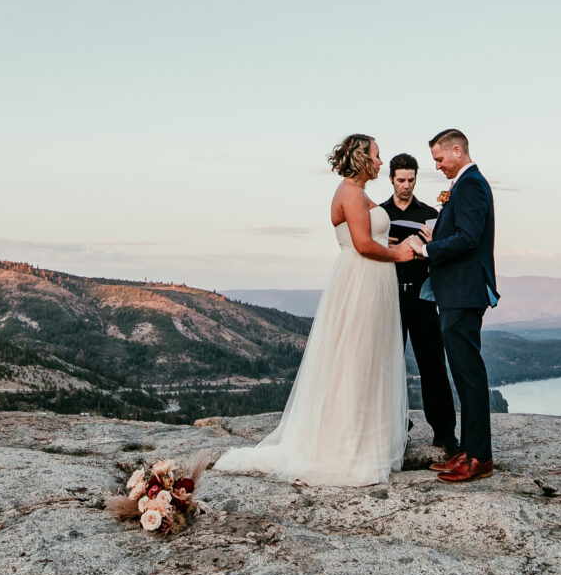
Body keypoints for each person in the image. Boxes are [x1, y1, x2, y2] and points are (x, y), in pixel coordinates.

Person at [213, 134, 424, 487]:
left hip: (371, 281)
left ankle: (365, 439)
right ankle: (345, 447)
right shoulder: (350, 193)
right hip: (361, 282)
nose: (380, 161)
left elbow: (369, 234)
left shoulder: (359, 193)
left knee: (370, 359)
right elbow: (362, 245)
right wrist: (400, 254)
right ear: (362, 159)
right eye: (376, 155)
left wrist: (400, 242)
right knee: (354, 359)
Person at [422, 128, 498, 483]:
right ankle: (468, 450)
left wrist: (427, 249)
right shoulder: (466, 185)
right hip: (457, 292)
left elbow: (468, 238)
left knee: (469, 374)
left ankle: (480, 457)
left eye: (439, 159)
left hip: (464, 292)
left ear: (457, 151)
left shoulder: (471, 185)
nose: (436, 166)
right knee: (464, 375)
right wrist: (436, 233)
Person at [380, 153, 452, 461]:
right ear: (391, 179)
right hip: (388, 298)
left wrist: (427, 247)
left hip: (422, 298)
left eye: (411, 180)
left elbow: (440, 252)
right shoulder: (380, 213)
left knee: (433, 365)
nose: (406, 185)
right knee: (388, 366)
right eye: (401, 180)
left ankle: (445, 432)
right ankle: (396, 428)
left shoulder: (429, 213)